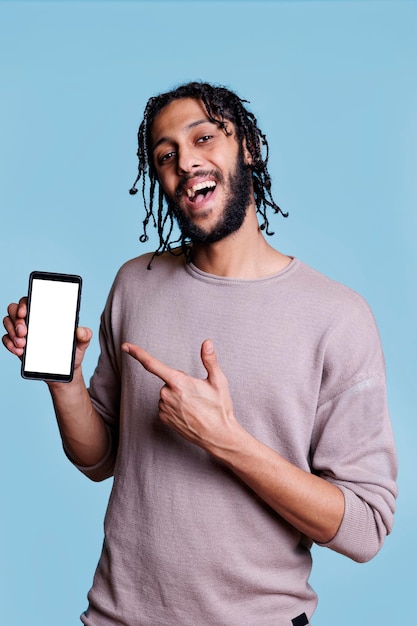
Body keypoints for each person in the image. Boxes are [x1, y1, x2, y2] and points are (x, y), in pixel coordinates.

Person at [2, 82, 398, 626]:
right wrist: (64, 381)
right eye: (166, 155)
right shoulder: (135, 283)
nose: (186, 161)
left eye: (204, 138)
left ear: (249, 147)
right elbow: (100, 459)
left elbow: (365, 528)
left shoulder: (337, 317)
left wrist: (227, 441)